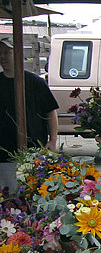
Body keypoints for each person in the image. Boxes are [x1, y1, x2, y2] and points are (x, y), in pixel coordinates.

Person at [0, 36, 59, 192]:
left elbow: (51, 112)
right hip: (3, 154)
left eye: (7, 52)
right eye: (0, 52)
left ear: (18, 54)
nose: (2, 56)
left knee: (32, 195)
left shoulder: (35, 83)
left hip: (33, 151)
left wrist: (52, 141)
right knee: (8, 198)